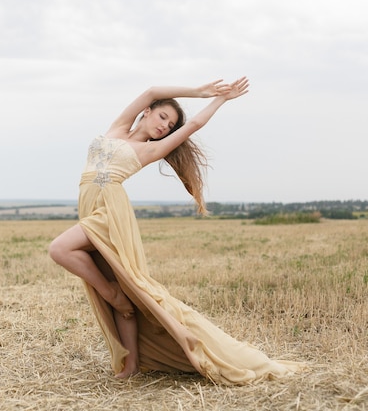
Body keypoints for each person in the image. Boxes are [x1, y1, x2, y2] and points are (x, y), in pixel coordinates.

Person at [49, 77, 304, 384]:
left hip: (109, 211)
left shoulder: (149, 150)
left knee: (60, 249)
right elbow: (152, 90)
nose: (165, 126)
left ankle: (112, 294)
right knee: (127, 284)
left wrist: (219, 100)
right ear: (147, 112)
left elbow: (194, 124)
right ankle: (130, 366)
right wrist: (199, 91)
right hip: (89, 205)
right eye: (162, 117)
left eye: (169, 126)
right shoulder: (117, 129)